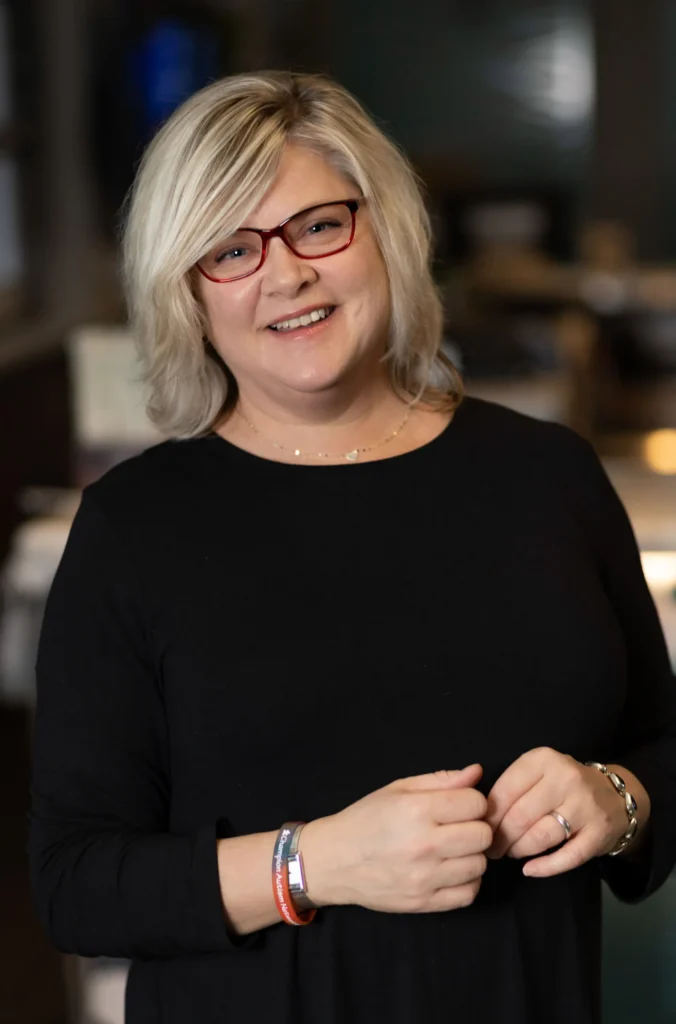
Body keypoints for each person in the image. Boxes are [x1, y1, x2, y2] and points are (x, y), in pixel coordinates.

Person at [29, 71, 676, 1024]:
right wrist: (317, 862)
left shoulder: (550, 475)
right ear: (188, 294)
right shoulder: (135, 525)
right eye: (231, 251)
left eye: (318, 226)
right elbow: (76, 883)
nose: (285, 275)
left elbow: (662, 751)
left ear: (384, 228)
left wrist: (616, 799)